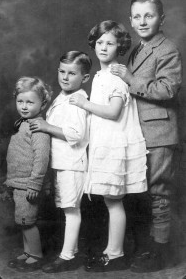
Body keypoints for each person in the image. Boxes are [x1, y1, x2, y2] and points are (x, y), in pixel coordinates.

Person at [111, 0, 182, 272]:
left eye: (148, 15)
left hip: (160, 132)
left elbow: (167, 89)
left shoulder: (167, 49)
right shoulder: (138, 49)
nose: (142, 21)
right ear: (130, 20)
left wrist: (129, 79)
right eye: (137, 16)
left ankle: (162, 251)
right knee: (144, 192)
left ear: (161, 19)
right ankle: (149, 248)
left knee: (159, 192)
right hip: (139, 132)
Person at [69, 20, 148, 272]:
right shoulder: (102, 75)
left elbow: (113, 112)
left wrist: (83, 104)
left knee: (114, 201)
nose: (103, 47)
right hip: (104, 143)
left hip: (115, 144)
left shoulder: (115, 75)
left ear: (120, 46)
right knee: (110, 201)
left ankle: (115, 254)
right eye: (100, 42)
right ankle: (111, 251)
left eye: (110, 43)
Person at [29, 51, 91, 273]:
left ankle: (67, 256)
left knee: (71, 210)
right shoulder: (62, 97)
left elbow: (75, 134)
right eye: (62, 71)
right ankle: (68, 253)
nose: (65, 77)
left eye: (72, 73)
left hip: (72, 164)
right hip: (61, 163)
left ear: (84, 78)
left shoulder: (78, 100)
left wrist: (46, 127)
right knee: (67, 209)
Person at [5, 77, 52, 272]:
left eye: (30, 102)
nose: (24, 106)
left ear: (42, 103)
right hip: (19, 182)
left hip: (28, 185)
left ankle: (36, 255)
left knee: (28, 222)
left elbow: (41, 159)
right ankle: (28, 251)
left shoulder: (37, 128)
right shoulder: (22, 123)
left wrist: (34, 184)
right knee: (23, 221)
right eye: (20, 101)